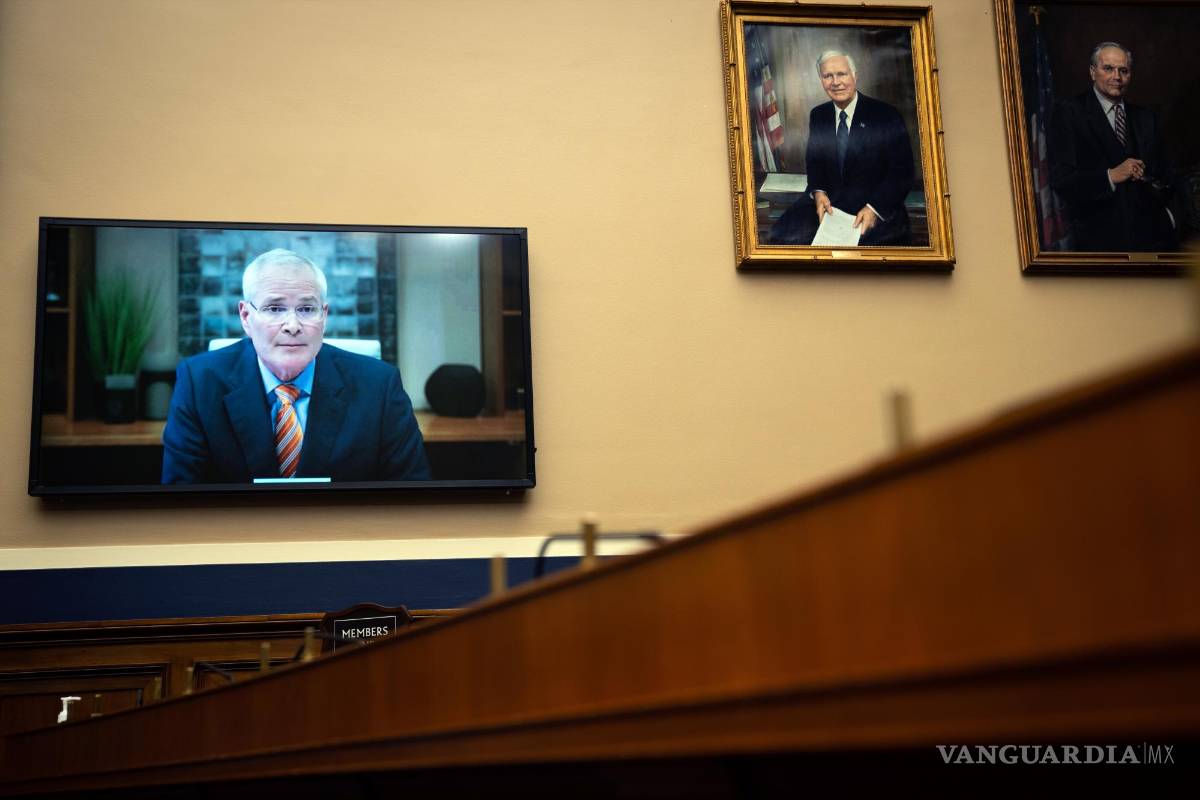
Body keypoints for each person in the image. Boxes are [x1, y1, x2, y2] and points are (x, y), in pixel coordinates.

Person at [162, 249, 430, 483]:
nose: (292, 325)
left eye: (306, 309)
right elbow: (181, 498)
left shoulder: (379, 386)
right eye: (275, 309)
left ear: (324, 316)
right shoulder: (198, 383)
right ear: (246, 316)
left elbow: (412, 495)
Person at [769, 50, 914, 246]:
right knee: (778, 238)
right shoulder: (819, 115)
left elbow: (902, 173)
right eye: (828, 76)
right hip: (829, 208)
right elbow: (815, 163)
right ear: (821, 80)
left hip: (874, 207)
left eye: (841, 74)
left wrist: (874, 209)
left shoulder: (886, 115)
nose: (835, 82)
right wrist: (819, 193)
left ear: (855, 76)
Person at [1049, 42, 1178, 252]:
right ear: (1092, 72)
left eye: (1123, 70)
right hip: (1099, 241)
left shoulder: (1146, 118)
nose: (1117, 77)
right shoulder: (1068, 112)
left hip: (1154, 240)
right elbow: (1061, 179)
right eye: (1108, 68)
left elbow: (1168, 175)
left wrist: (1169, 217)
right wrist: (1110, 176)